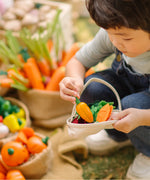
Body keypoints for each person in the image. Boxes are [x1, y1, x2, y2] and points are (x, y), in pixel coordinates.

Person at [59, 0, 150, 179]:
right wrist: (73, 80)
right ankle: (117, 135)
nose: (116, 42)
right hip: (129, 89)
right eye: (110, 34)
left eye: (126, 38)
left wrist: (143, 117)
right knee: (92, 87)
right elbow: (77, 62)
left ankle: (148, 150)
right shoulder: (116, 31)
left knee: (133, 105)